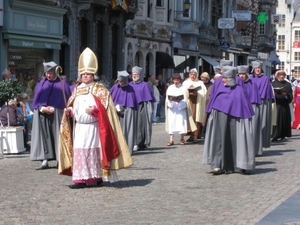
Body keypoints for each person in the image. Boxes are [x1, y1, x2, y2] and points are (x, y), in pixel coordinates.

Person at [58, 47, 133, 188]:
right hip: (80, 128)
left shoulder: (101, 90)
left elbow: (106, 111)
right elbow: (74, 107)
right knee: (81, 151)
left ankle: (97, 177)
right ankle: (81, 179)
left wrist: (95, 110)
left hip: (94, 127)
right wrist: (69, 112)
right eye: (83, 74)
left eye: (88, 74)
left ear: (93, 75)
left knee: (94, 151)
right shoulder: (77, 89)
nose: (85, 76)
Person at [202, 66, 255, 175]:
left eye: (225, 78)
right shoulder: (220, 89)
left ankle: (237, 165)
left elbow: (244, 106)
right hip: (220, 120)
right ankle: (218, 164)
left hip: (236, 122)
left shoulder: (240, 90)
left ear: (231, 78)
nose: (223, 79)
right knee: (219, 141)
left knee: (236, 141)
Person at [30, 61, 72, 170]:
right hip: (43, 114)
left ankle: (60, 159)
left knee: (58, 135)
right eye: (47, 73)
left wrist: (55, 108)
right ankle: (45, 159)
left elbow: (66, 99)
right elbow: (37, 100)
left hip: (57, 113)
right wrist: (42, 108)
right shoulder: (42, 84)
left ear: (55, 72)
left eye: (51, 73)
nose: (48, 75)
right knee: (44, 136)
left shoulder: (62, 83)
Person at [110, 70, 138, 155]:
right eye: (119, 81)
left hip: (127, 111)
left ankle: (127, 149)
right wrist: (114, 107)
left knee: (127, 129)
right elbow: (110, 98)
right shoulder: (115, 87)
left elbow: (131, 102)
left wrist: (123, 108)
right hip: (115, 112)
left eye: (122, 82)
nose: (120, 83)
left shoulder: (130, 89)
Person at [129, 66, 156, 151]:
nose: (134, 76)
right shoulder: (129, 85)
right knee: (131, 125)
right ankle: (131, 142)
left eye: (136, 74)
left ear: (139, 75)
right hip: (132, 108)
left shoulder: (144, 85)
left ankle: (138, 143)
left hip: (141, 108)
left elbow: (148, 99)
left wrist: (148, 111)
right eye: (133, 74)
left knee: (140, 125)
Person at [237, 65, 262, 156]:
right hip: (239, 109)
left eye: (243, 74)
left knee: (252, 130)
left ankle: (253, 150)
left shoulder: (252, 83)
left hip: (251, 107)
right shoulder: (236, 83)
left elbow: (255, 98)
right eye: (240, 74)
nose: (241, 76)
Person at [165, 74, 196, 146]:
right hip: (172, 109)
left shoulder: (184, 88)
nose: (175, 81)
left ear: (180, 80)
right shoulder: (170, 87)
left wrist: (180, 101)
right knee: (172, 123)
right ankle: (171, 139)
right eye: (174, 80)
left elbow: (186, 99)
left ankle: (182, 138)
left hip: (180, 109)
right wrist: (170, 101)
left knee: (181, 123)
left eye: (177, 80)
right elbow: (167, 99)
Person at [250, 61, 274, 151]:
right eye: (256, 68)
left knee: (262, 122)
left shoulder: (265, 78)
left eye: (259, 68)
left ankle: (261, 143)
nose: (258, 69)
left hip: (262, 102)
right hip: (252, 103)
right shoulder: (250, 78)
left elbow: (266, 92)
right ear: (253, 69)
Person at [182, 68, 206, 143]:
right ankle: (191, 135)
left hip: (197, 104)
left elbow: (203, 93)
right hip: (188, 102)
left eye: (194, 74)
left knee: (196, 118)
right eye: (191, 74)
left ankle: (195, 135)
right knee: (189, 118)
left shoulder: (200, 83)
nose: (193, 76)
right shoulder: (185, 82)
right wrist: (188, 93)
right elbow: (182, 91)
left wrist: (197, 93)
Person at [271, 70, 293, 141]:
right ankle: (274, 135)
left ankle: (282, 135)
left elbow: (290, 96)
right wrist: (274, 95)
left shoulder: (288, 84)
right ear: (277, 76)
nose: (282, 76)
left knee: (283, 120)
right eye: (280, 75)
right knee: (275, 120)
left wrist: (286, 95)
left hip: (284, 105)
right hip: (276, 104)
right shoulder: (273, 83)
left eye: (283, 75)